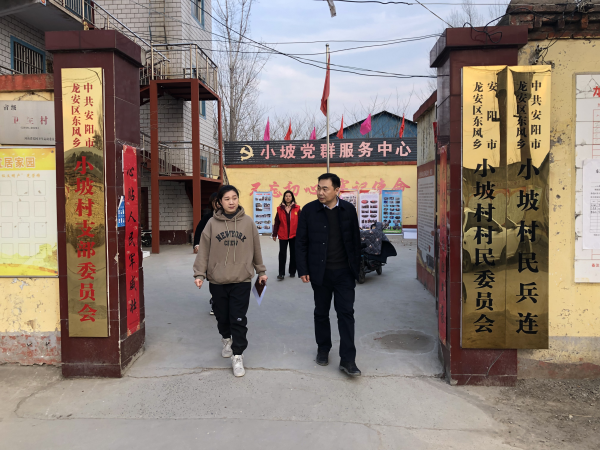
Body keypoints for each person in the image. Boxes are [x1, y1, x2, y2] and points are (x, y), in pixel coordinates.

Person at [193, 185, 267, 377]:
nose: (231, 202)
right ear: (220, 202)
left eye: (234, 198)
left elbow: (256, 248)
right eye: (227, 199)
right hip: (218, 280)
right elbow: (204, 251)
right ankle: (226, 339)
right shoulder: (211, 223)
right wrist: (199, 274)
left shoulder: (248, 222)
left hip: (242, 279)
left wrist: (261, 271)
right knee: (222, 317)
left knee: (238, 318)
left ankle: (238, 355)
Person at [296, 173, 362, 377]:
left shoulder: (348, 210)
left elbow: (355, 240)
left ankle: (348, 360)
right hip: (320, 272)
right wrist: (303, 269)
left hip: (344, 273)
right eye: (318, 188)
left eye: (325, 188)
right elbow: (301, 242)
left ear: (337, 190)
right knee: (321, 312)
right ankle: (323, 349)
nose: (320, 192)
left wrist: (357, 269)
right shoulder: (309, 210)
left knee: (346, 314)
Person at [193, 191, 219, 315]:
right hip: (210, 254)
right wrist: (197, 244)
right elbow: (199, 231)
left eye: (219, 201)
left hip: (225, 254)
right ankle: (215, 302)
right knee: (213, 278)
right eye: (215, 202)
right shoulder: (208, 217)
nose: (217, 204)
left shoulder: (230, 218)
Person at [272, 190, 301, 281]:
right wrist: (274, 234)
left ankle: (292, 271)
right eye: (286, 196)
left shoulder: (297, 208)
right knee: (282, 254)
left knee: (294, 254)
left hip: (294, 235)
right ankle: (281, 274)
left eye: (289, 196)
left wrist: (302, 234)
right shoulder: (279, 209)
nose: (288, 197)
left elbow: (301, 222)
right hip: (283, 235)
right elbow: (277, 222)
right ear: (284, 197)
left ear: (292, 197)